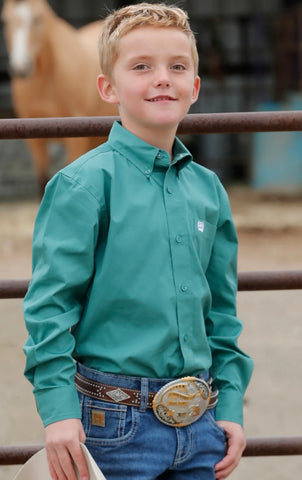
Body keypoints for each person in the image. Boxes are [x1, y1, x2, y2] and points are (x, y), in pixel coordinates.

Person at [23, 3, 254, 480]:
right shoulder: (82, 186)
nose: (162, 79)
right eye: (141, 66)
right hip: (111, 427)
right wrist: (58, 411)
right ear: (108, 88)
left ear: (195, 87)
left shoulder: (209, 190)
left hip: (200, 422)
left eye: (178, 67)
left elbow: (222, 312)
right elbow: (50, 307)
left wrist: (229, 402)